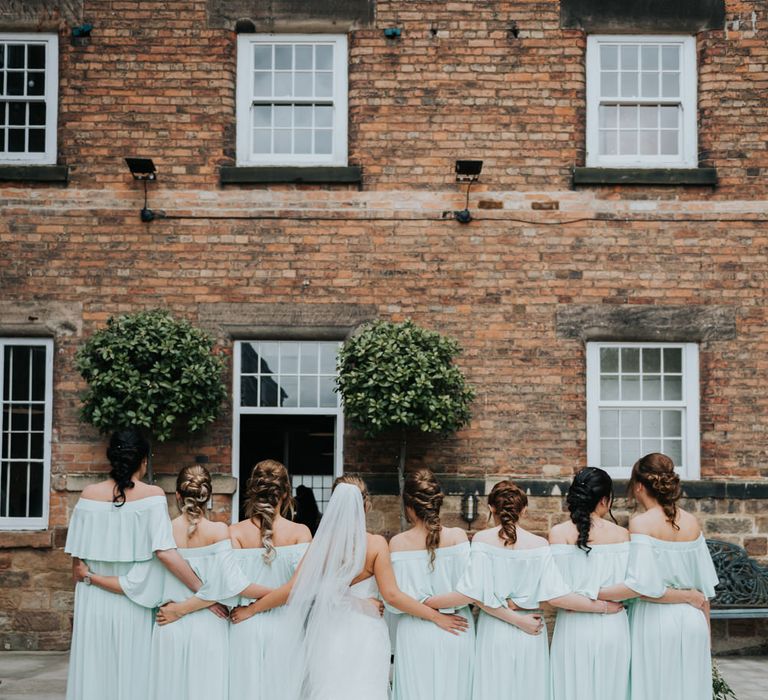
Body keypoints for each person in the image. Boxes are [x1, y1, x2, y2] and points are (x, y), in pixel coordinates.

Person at [223, 473, 469, 700]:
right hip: (367, 632)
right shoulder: (376, 545)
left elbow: (294, 589)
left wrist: (251, 610)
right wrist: (432, 615)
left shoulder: (322, 547)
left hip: (329, 630)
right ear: (367, 505)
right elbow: (392, 595)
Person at [74, 465, 272, 700]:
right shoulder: (219, 531)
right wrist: (282, 592)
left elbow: (133, 584)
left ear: (178, 496)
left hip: (168, 627)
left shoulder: (163, 533)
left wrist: (90, 576)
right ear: (207, 496)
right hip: (209, 628)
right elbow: (233, 586)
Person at [416, 478, 624, 700]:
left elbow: (475, 594)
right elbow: (556, 595)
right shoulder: (540, 545)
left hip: (494, 630)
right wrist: (601, 606)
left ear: (490, 508)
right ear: (524, 510)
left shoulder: (481, 540)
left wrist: (426, 602)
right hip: (532, 628)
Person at [64, 429, 204, 700]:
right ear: (144, 461)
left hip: (93, 601)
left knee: (95, 674)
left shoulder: (88, 496)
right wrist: (203, 589)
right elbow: (165, 553)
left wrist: (92, 577)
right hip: (133, 601)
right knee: (134, 677)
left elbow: (77, 570)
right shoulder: (152, 496)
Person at [597, 453, 718, 700]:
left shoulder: (641, 523)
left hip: (656, 621)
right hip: (693, 622)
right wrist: (706, 634)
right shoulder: (692, 522)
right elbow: (703, 591)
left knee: (655, 690)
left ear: (639, 486)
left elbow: (642, 586)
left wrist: (592, 591)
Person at [388, 468, 478, 700]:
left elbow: (393, 600)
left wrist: (423, 604)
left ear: (408, 506)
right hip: (458, 629)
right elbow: (472, 591)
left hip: (414, 632)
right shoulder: (458, 536)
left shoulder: (397, 544)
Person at [228, 460, 311, 700]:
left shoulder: (234, 532)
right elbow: (296, 588)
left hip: (243, 623)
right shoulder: (301, 533)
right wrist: (257, 607)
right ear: (286, 493)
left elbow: (232, 585)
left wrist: (252, 609)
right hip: (286, 626)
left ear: (252, 491)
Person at [548, 467, 632, 700]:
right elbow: (632, 588)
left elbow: (556, 596)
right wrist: (604, 605)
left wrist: (581, 599)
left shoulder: (558, 533)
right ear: (605, 500)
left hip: (574, 629)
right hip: (614, 626)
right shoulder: (622, 534)